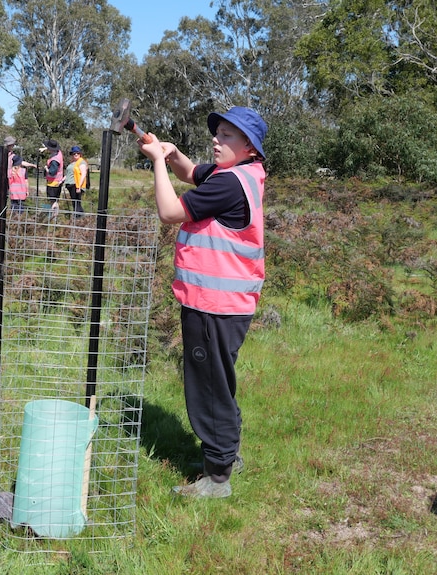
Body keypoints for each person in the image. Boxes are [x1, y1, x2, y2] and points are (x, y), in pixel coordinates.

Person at [137, 107, 267, 499]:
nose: (217, 139)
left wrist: (158, 162)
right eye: (218, 132)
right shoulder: (242, 175)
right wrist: (172, 155)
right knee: (220, 384)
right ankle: (226, 455)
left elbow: (169, 211)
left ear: (248, 147)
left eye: (227, 135)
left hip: (213, 305)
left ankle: (217, 478)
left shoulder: (228, 185)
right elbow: (191, 173)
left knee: (208, 388)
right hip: (229, 304)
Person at [0, 136, 34, 212]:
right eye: (11, 145)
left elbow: (20, 163)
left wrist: (32, 165)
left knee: (5, 194)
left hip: (8, 177)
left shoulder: (12, 155)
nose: (12, 146)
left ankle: (2, 210)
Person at [63, 145, 88, 216]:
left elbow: (83, 175)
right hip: (70, 185)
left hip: (76, 185)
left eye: (77, 153)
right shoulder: (72, 163)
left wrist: (79, 186)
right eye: (74, 153)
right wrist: (62, 180)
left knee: (77, 202)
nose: (76, 154)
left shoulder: (81, 162)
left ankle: (79, 218)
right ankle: (79, 217)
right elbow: (68, 174)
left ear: (80, 154)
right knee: (74, 203)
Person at [41, 139, 63, 215]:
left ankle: (54, 215)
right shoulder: (59, 153)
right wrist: (44, 148)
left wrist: (46, 168)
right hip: (58, 181)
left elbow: (52, 172)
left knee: (53, 200)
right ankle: (55, 216)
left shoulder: (54, 160)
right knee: (56, 200)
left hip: (53, 182)